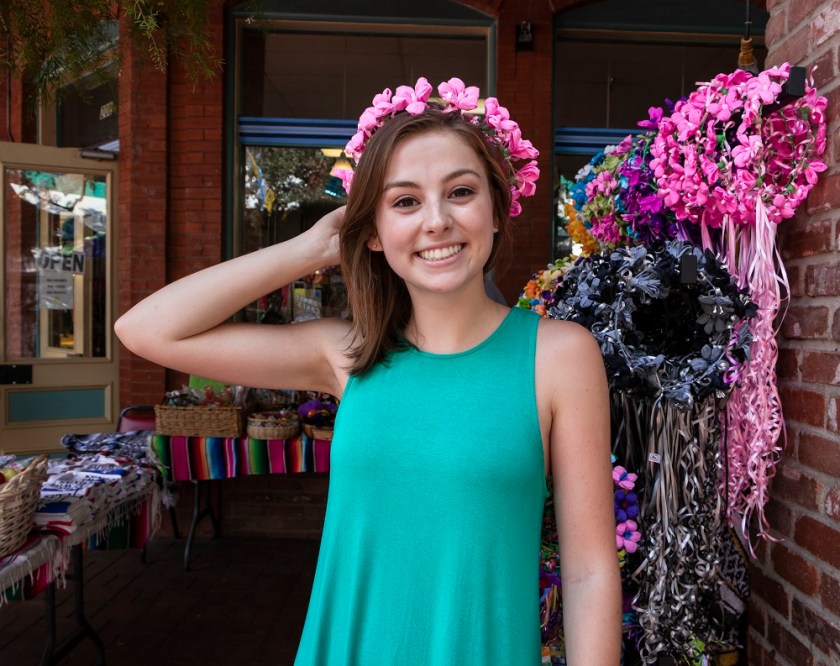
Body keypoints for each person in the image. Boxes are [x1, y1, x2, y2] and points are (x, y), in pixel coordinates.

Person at [115, 77, 621, 664]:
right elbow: (146, 330)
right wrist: (310, 250)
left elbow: (588, 571)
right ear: (375, 232)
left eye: (460, 192)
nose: (436, 221)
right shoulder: (348, 354)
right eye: (405, 201)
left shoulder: (559, 356)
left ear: (497, 208)